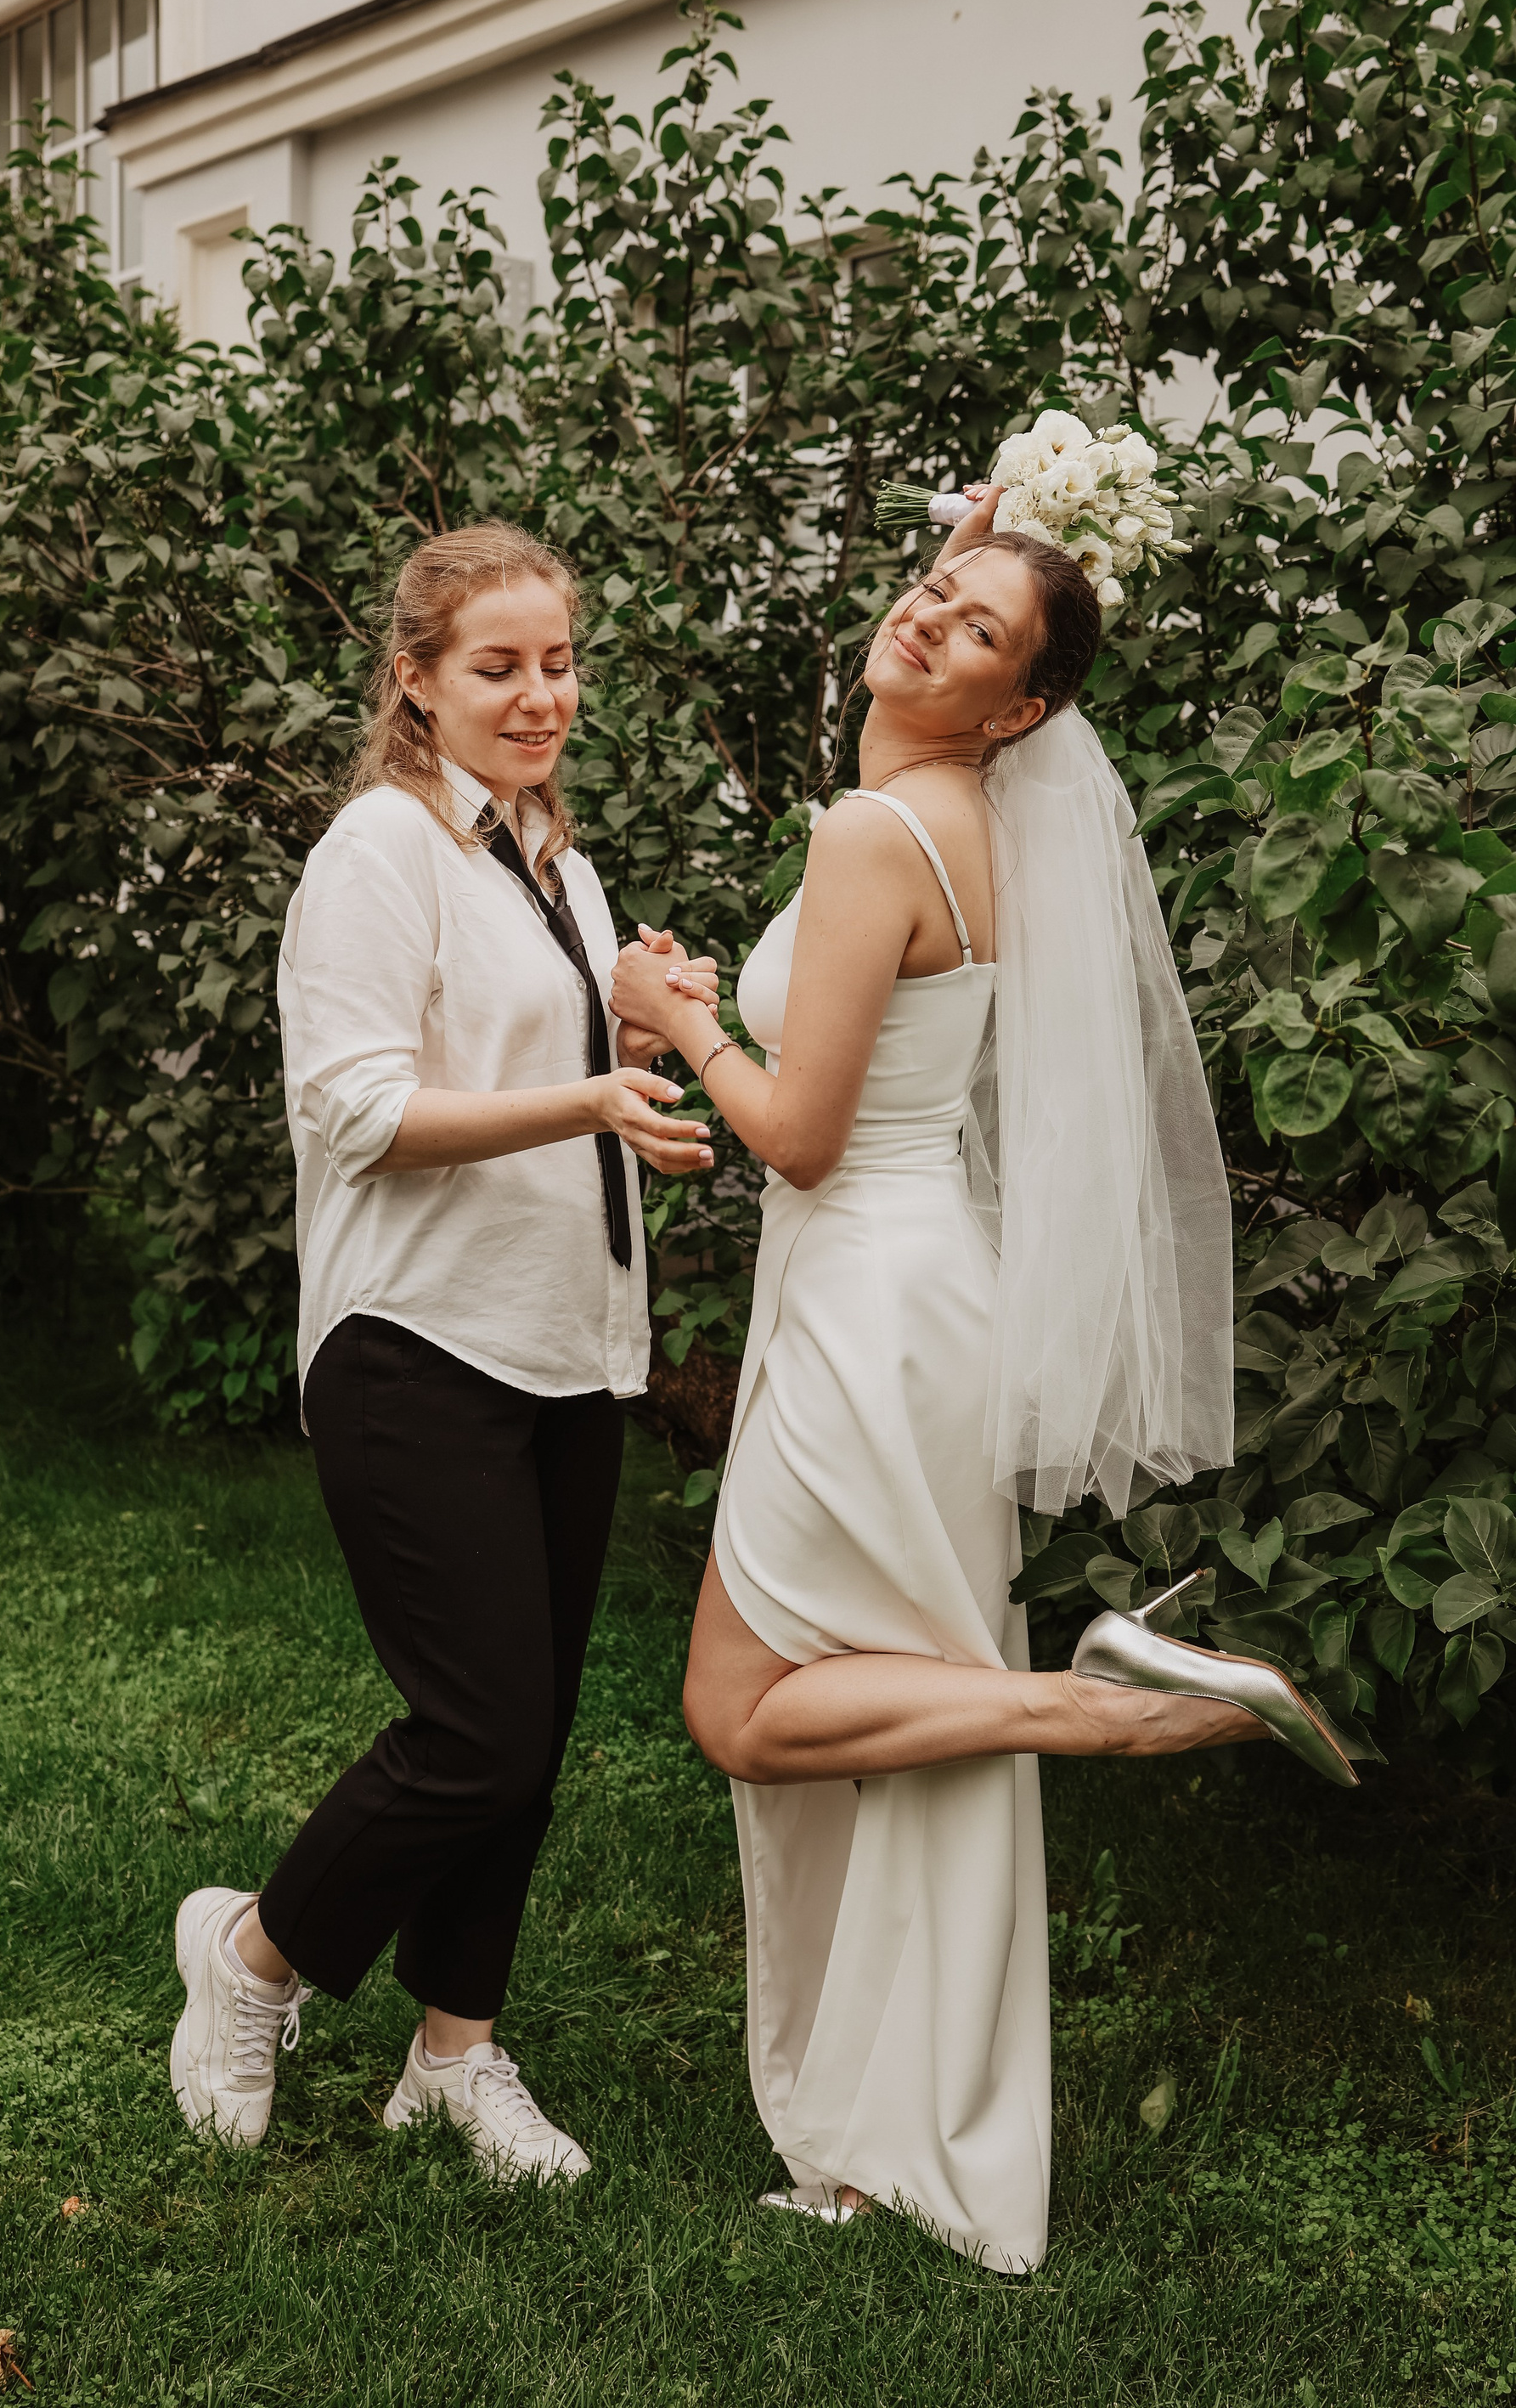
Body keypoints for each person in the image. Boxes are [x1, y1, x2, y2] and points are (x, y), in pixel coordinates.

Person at [609, 486, 1355, 2269]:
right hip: (914, 1294)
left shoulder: (885, 832)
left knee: (744, 1709)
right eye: (935, 591)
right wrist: (993, 545)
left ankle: (1090, 1707)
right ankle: (894, 2141)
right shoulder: (964, 813)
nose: (931, 618)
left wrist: (677, 1017)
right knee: (894, 1717)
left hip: (865, 1306)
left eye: (980, 631)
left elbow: (801, 1135)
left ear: (1024, 707)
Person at [167, 522, 716, 2175]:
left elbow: (522, 1034)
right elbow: (359, 1111)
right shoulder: (379, 852)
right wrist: (589, 1094)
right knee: (474, 1730)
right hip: (416, 1341)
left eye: (559, 662)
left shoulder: (549, 853)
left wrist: (629, 1008)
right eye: (499, 666)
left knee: (525, 1743)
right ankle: (253, 1952)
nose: (541, 695)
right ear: (415, 679)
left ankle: (455, 2056)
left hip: (566, 1343)